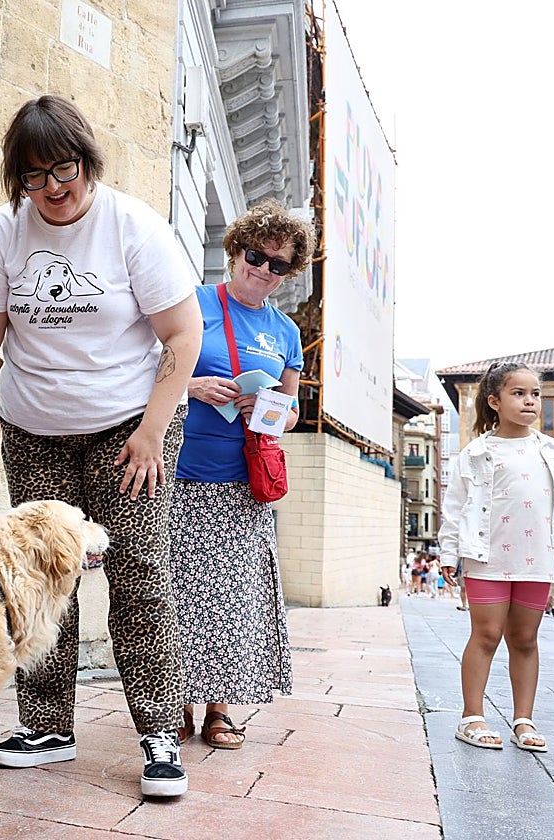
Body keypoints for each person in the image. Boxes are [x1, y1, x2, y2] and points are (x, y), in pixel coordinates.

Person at [0, 94, 203, 798]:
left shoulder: (132, 227)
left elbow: (183, 336)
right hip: (36, 426)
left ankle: (157, 731)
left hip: (133, 421)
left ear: (87, 160)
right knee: (38, 574)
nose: (53, 188)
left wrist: (154, 430)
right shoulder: (4, 233)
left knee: (138, 572)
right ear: (17, 181)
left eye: (64, 169)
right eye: (34, 177)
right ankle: (47, 725)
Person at [169, 198, 317, 752]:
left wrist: (267, 410)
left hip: (240, 481)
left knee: (231, 602)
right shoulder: (194, 304)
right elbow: (140, 371)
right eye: (258, 255)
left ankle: (220, 709)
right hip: (180, 470)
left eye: (279, 264)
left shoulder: (284, 332)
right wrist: (192, 387)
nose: (265, 269)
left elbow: (292, 412)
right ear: (236, 251)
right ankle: (173, 703)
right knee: (176, 594)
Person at [440, 362, 554, 752]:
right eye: (519, 393)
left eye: (535, 394)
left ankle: (523, 719)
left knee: (526, 638)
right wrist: (450, 552)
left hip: (538, 557)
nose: (530, 401)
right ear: (495, 401)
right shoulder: (477, 452)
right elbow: (455, 506)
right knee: (486, 634)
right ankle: (472, 716)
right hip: (487, 556)